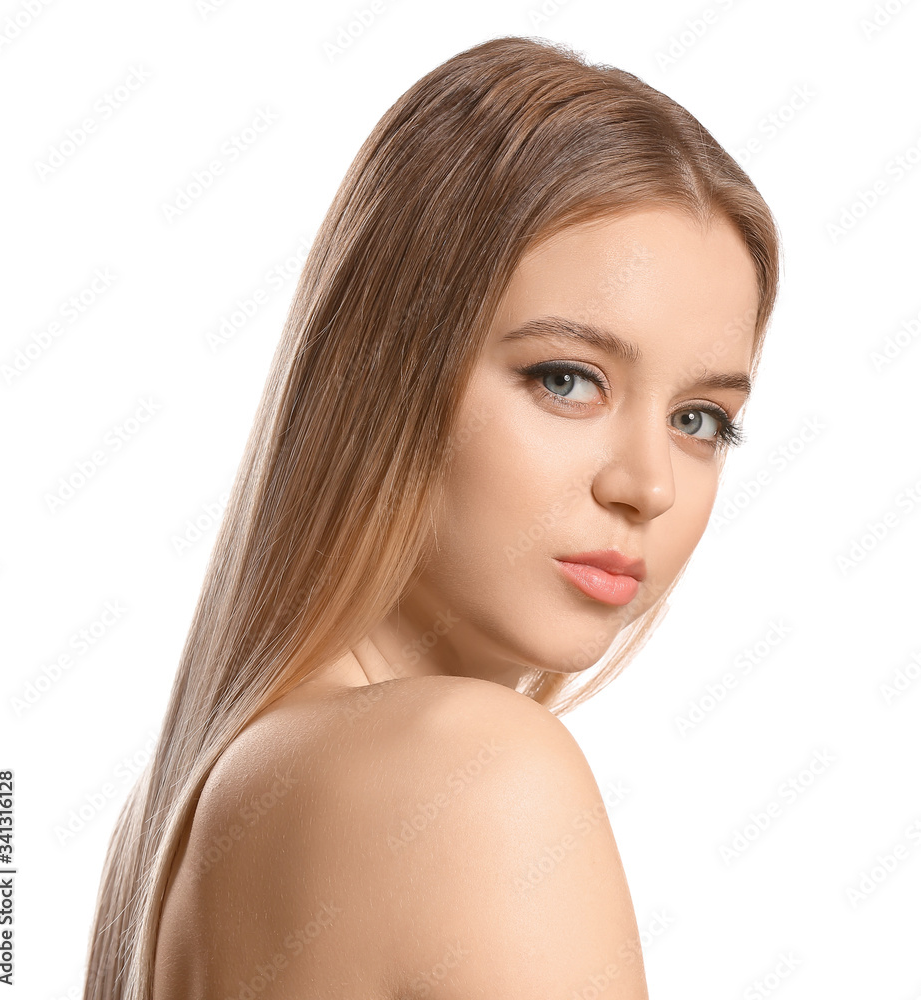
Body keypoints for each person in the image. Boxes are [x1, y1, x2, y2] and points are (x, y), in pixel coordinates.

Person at [83, 34, 780, 1000]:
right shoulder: (479, 772)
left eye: (700, 420)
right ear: (387, 371)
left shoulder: (197, 815)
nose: (647, 485)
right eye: (567, 379)